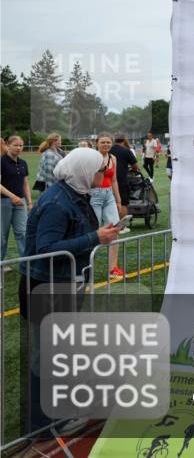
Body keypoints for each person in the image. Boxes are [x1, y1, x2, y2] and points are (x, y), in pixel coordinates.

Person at [22, 147, 122, 429]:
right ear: (84, 170)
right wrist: (95, 237)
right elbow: (46, 249)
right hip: (48, 286)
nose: (103, 174)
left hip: (64, 283)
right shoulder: (57, 202)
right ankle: (41, 425)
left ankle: (58, 412)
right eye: (99, 169)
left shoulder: (74, 195)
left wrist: (100, 234)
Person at [93, 133, 128, 279]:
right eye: (103, 142)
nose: (106, 144)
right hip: (93, 195)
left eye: (108, 142)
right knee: (92, 232)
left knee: (115, 230)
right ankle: (85, 267)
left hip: (109, 196)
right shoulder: (92, 157)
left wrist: (118, 200)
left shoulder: (113, 158)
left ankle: (113, 268)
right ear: (97, 143)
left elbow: (114, 181)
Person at [1, 134, 32, 258]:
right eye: (15, 145)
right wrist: (12, 197)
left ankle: (26, 264)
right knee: (2, 237)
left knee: (23, 234)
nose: (18, 148)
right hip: (3, 203)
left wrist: (29, 202)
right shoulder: (1, 161)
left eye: (21, 145)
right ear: (8, 146)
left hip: (21, 203)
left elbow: (25, 184)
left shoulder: (23, 163)